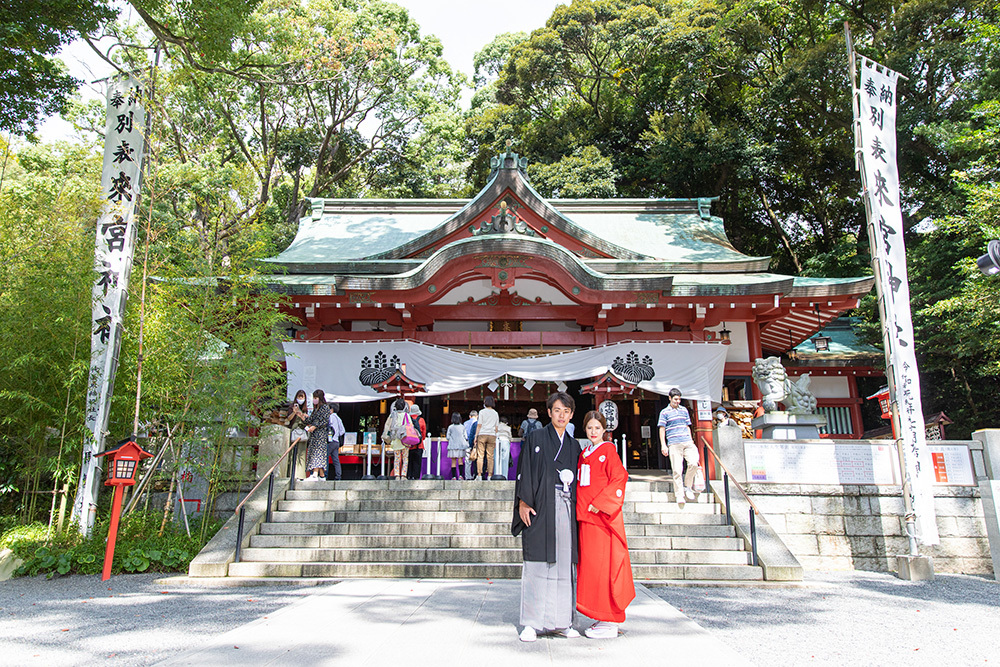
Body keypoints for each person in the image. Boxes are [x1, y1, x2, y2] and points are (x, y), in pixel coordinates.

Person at [512, 392, 581, 642]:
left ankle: (562, 621)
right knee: (538, 562)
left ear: (572, 415)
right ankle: (532, 622)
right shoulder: (536, 438)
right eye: (557, 410)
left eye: (566, 411)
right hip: (540, 506)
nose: (561, 415)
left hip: (566, 508)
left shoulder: (574, 446)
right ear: (548, 412)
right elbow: (525, 470)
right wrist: (523, 502)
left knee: (564, 564)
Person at [576, 410, 634, 639]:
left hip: (601, 517)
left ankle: (610, 619)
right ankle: (600, 616)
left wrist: (600, 503)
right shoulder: (584, 453)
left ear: (604, 430)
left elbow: (619, 478)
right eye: (590, 428)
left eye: (597, 428)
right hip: (586, 518)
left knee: (604, 567)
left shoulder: (608, 450)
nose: (593, 432)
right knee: (591, 569)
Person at [657, 388, 699, 507]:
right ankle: (679, 494)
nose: (678, 401)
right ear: (670, 398)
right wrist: (663, 445)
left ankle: (688, 486)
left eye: (679, 399)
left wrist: (691, 440)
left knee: (694, 463)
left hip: (687, 441)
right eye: (675, 399)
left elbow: (687, 426)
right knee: (677, 469)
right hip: (674, 443)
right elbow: (662, 428)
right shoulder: (664, 412)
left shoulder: (684, 410)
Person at [303, 389, 331, 480]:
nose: (314, 400)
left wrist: (315, 426)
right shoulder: (316, 409)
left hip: (321, 435)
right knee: (316, 453)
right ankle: (322, 475)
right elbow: (310, 420)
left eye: (315, 398)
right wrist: (301, 415)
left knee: (317, 453)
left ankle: (315, 474)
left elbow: (324, 420)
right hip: (314, 435)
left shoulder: (325, 408)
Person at [382, 398, 409, 479]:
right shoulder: (406, 415)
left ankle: (397, 475)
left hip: (395, 439)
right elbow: (410, 426)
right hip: (405, 440)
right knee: (405, 458)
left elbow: (387, 426)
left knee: (397, 458)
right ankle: (403, 475)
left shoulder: (392, 415)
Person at [475, 396, 500, 480]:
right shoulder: (495, 413)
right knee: (490, 456)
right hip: (492, 435)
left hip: (482, 434)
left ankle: (479, 475)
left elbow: (479, 425)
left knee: (480, 455)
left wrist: (476, 436)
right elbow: (496, 427)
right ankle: (489, 475)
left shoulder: (482, 412)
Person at [286, 389, 309, 475]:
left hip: (302, 431)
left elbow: (306, 422)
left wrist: (303, 415)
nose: (300, 398)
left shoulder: (305, 409)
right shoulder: (292, 407)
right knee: (292, 453)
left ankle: (301, 474)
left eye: (302, 397)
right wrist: (294, 412)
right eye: (299, 396)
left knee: (302, 453)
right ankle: (292, 473)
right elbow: (288, 419)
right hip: (294, 430)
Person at [406, 403, 427, 480]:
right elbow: (423, 434)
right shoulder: (421, 420)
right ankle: (416, 477)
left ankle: (409, 476)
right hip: (419, 445)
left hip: (409, 445)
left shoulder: (407, 420)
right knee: (417, 463)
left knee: (409, 462)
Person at [327, 402, 346, 481]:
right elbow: (343, 431)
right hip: (336, 441)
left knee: (325, 457)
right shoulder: (339, 418)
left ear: (331, 410)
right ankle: (338, 475)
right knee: (336, 459)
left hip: (330, 441)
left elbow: (329, 427)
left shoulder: (330, 417)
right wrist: (337, 435)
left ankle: (324, 474)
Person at [446, 412, 467, 481]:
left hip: (452, 446)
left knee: (453, 462)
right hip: (461, 446)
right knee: (460, 461)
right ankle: (461, 476)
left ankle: (454, 477)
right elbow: (466, 437)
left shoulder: (450, 427)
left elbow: (447, 437)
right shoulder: (462, 427)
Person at [494, 416, 513, 480]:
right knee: (505, 459)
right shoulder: (508, 428)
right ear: (506, 422)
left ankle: (496, 474)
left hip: (497, 440)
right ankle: (505, 476)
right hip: (505, 441)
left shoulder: (496, 427)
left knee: (496, 458)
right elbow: (510, 437)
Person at [464, 410, 479, 479]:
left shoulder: (465, 423)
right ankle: (476, 474)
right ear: (477, 416)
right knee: (478, 459)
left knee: (468, 461)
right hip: (477, 442)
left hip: (467, 442)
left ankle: (468, 476)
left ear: (470, 416)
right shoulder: (479, 423)